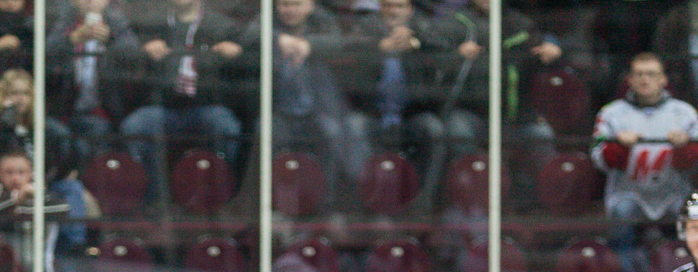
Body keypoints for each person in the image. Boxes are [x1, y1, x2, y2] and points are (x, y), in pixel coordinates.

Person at [430, 0, 561, 206]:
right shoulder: (456, 23)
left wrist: (555, 54)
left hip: (516, 116)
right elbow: (433, 65)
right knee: (458, 133)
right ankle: (466, 202)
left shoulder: (521, 24)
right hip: (472, 112)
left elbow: (541, 61)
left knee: (542, 138)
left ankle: (538, 208)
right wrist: (456, 56)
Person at [240, 0, 369, 209]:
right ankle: (270, 205)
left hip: (317, 112)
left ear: (310, 6)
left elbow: (338, 42)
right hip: (280, 112)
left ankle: (329, 205)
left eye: (296, 4)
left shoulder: (322, 20)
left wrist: (308, 45)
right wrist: (278, 39)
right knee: (264, 131)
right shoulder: (268, 20)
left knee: (333, 133)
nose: (289, 10)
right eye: (284, 5)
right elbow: (248, 35)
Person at [592, 52, 698, 272]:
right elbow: (600, 161)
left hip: (672, 194)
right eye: (639, 74)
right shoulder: (611, 114)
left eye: (651, 74)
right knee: (621, 214)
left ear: (663, 80)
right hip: (628, 193)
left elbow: (697, 167)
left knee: (692, 218)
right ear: (629, 80)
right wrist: (618, 147)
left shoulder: (684, 113)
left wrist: (684, 148)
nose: (645, 80)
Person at [121, 0, 246, 207]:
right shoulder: (149, 24)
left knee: (227, 127)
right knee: (134, 126)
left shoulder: (223, 26)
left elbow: (242, 74)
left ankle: (222, 198)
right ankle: (153, 200)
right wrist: (143, 51)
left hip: (206, 106)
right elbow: (124, 55)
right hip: (162, 106)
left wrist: (235, 56)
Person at [343, 0, 449, 211]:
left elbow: (444, 48)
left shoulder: (422, 27)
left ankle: (424, 203)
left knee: (434, 129)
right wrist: (379, 48)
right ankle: (364, 199)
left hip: (410, 115)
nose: (393, 11)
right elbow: (348, 46)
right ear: (381, 8)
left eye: (399, 6)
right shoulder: (366, 27)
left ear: (410, 10)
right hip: (372, 114)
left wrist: (416, 44)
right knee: (352, 126)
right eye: (388, 6)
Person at [44, 0, 140, 165]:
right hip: (63, 111)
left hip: (101, 111)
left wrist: (111, 39)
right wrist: (71, 40)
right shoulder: (64, 21)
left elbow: (133, 52)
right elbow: (44, 54)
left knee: (94, 140)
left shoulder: (117, 21)